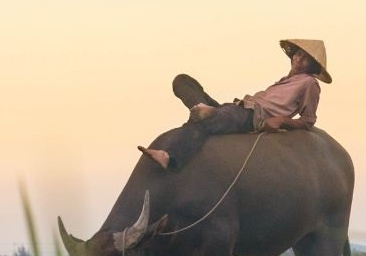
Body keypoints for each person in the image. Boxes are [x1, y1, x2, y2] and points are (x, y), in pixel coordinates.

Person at [137, 39, 331, 171]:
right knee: (182, 80)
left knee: (204, 123)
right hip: (236, 108)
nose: (299, 59)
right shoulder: (286, 79)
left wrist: (280, 120)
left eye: (306, 59)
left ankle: (171, 158)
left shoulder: (309, 83)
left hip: (251, 115)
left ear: (312, 66)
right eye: (298, 54)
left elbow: (308, 120)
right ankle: (204, 109)